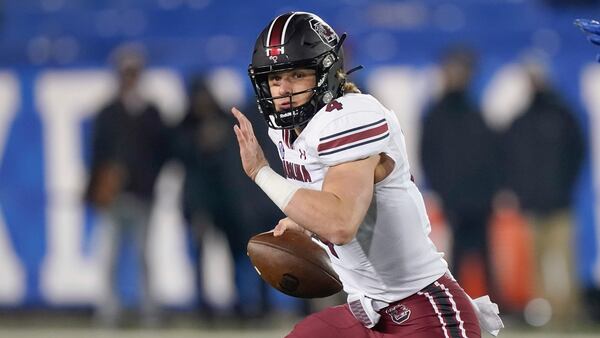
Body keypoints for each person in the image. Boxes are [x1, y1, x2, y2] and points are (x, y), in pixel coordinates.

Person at [231, 12, 503, 337]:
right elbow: (343, 198)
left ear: (326, 74)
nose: (284, 90)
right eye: (275, 79)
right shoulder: (288, 131)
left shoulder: (350, 117)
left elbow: (340, 223)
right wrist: (305, 220)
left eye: (297, 75)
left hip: (424, 312)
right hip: (367, 309)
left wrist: (262, 173)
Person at [86, 44, 169, 327]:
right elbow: (97, 152)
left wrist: (148, 179)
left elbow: (161, 153)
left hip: (142, 194)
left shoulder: (150, 112)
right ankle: (110, 309)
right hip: (115, 196)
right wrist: (99, 183)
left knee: (144, 255)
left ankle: (148, 310)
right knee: (110, 254)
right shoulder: (108, 112)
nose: (130, 77)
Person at [502, 58, 585, 324]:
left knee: (564, 262)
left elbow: (577, 154)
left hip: (558, 202)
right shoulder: (523, 120)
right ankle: (545, 314)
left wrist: (564, 185)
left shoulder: (560, 116)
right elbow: (509, 161)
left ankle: (568, 313)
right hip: (536, 204)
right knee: (538, 264)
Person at [419, 47, 501, 298]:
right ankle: (455, 302)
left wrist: (491, 189)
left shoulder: (475, 111)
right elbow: (428, 156)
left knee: (484, 254)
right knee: (453, 255)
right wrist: (442, 190)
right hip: (454, 197)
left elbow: (491, 154)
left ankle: (495, 304)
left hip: (478, 197)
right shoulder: (437, 114)